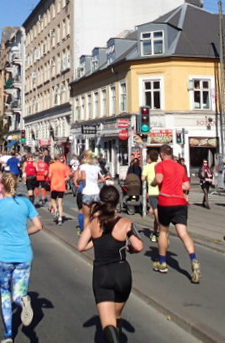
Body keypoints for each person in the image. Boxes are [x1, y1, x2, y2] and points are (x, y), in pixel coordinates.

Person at [77, 185, 143, 343]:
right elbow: (139, 246)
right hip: (122, 274)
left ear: (101, 199)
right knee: (116, 316)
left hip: (102, 275)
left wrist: (96, 241)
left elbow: (80, 246)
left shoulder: (94, 223)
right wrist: (129, 248)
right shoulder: (126, 223)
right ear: (117, 201)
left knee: (107, 324)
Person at [0, 172, 43, 343]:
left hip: (4, 256)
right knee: (19, 292)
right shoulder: (25, 203)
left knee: (4, 294)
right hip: (24, 254)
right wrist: (25, 232)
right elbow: (39, 226)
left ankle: (8, 334)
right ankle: (22, 300)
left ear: (2, 187)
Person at [150, 144, 200, 283]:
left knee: (163, 232)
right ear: (171, 153)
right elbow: (187, 186)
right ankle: (193, 259)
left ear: (161, 155)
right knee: (183, 233)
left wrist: (154, 183)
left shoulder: (160, 165)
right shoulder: (180, 167)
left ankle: (162, 262)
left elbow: (159, 179)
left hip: (165, 201)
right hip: (180, 202)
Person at [75, 150, 103, 231]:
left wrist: (78, 179)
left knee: (86, 217)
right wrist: (94, 182)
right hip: (96, 192)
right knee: (94, 216)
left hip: (87, 192)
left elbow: (83, 177)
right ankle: (96, 232)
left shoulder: (83, 166)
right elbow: (102, 179)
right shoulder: (96, 167)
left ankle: (86, 234)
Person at [141, 149, 160, 241]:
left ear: (150, 158)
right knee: (158, 215)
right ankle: (155, 233)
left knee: (157, 214)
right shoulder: (160, 165)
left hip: (153, 192)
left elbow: (143, 178)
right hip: (162, 192)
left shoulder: (147, 167)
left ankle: (162, 232)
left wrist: (146, 176)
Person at [48, 155, 72, 224]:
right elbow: (68, 177)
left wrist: (50, 180)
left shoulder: (52, 166)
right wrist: (63, 180)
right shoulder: (64, 166)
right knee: (60, 202)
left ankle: (55, 210)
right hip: (61, 186)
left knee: (53, 199)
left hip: (54, 185)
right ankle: (60, 218)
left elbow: (49, 175)